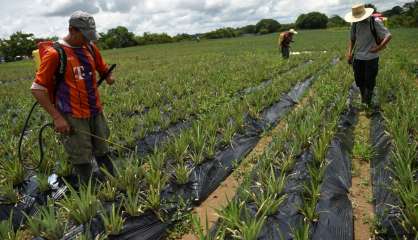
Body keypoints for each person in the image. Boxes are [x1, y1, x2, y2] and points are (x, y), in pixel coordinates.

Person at [31, 11, 115, 183]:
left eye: (90, 36)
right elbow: (37, 89)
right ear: (72, 30)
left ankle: (113, 183)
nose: (87, 40)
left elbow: (101, 65)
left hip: (95, 110)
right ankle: (90, 193)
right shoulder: (56, 54)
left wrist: (107, 76)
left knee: (103, 150)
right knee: (81, 158)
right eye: (84, 36)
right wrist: (57, 118)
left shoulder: (90, 47)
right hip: (72, 115)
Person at [345, 4, 392, 106]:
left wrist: (378, 48)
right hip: (358, 57)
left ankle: (368, 102)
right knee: (359, 80)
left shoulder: (374, 22)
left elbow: (388, 35)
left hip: (371, 57)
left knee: (370, 80)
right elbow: (352, 39)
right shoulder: (355, 24)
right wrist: (349, 53)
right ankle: (363, 99)